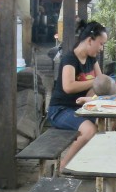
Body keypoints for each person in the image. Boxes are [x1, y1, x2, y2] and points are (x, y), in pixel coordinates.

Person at [46, 20, 107, 168]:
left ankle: (89, 164)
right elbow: (68, 87)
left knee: (108, 123)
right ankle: (63, 166)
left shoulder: (92, 59)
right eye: (100, 43)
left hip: (80, 108)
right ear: (89, 40)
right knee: (89, 130)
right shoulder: (70, 59)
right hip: (60, 110)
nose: (101, 48)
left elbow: (101, 83)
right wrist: (95, 83)